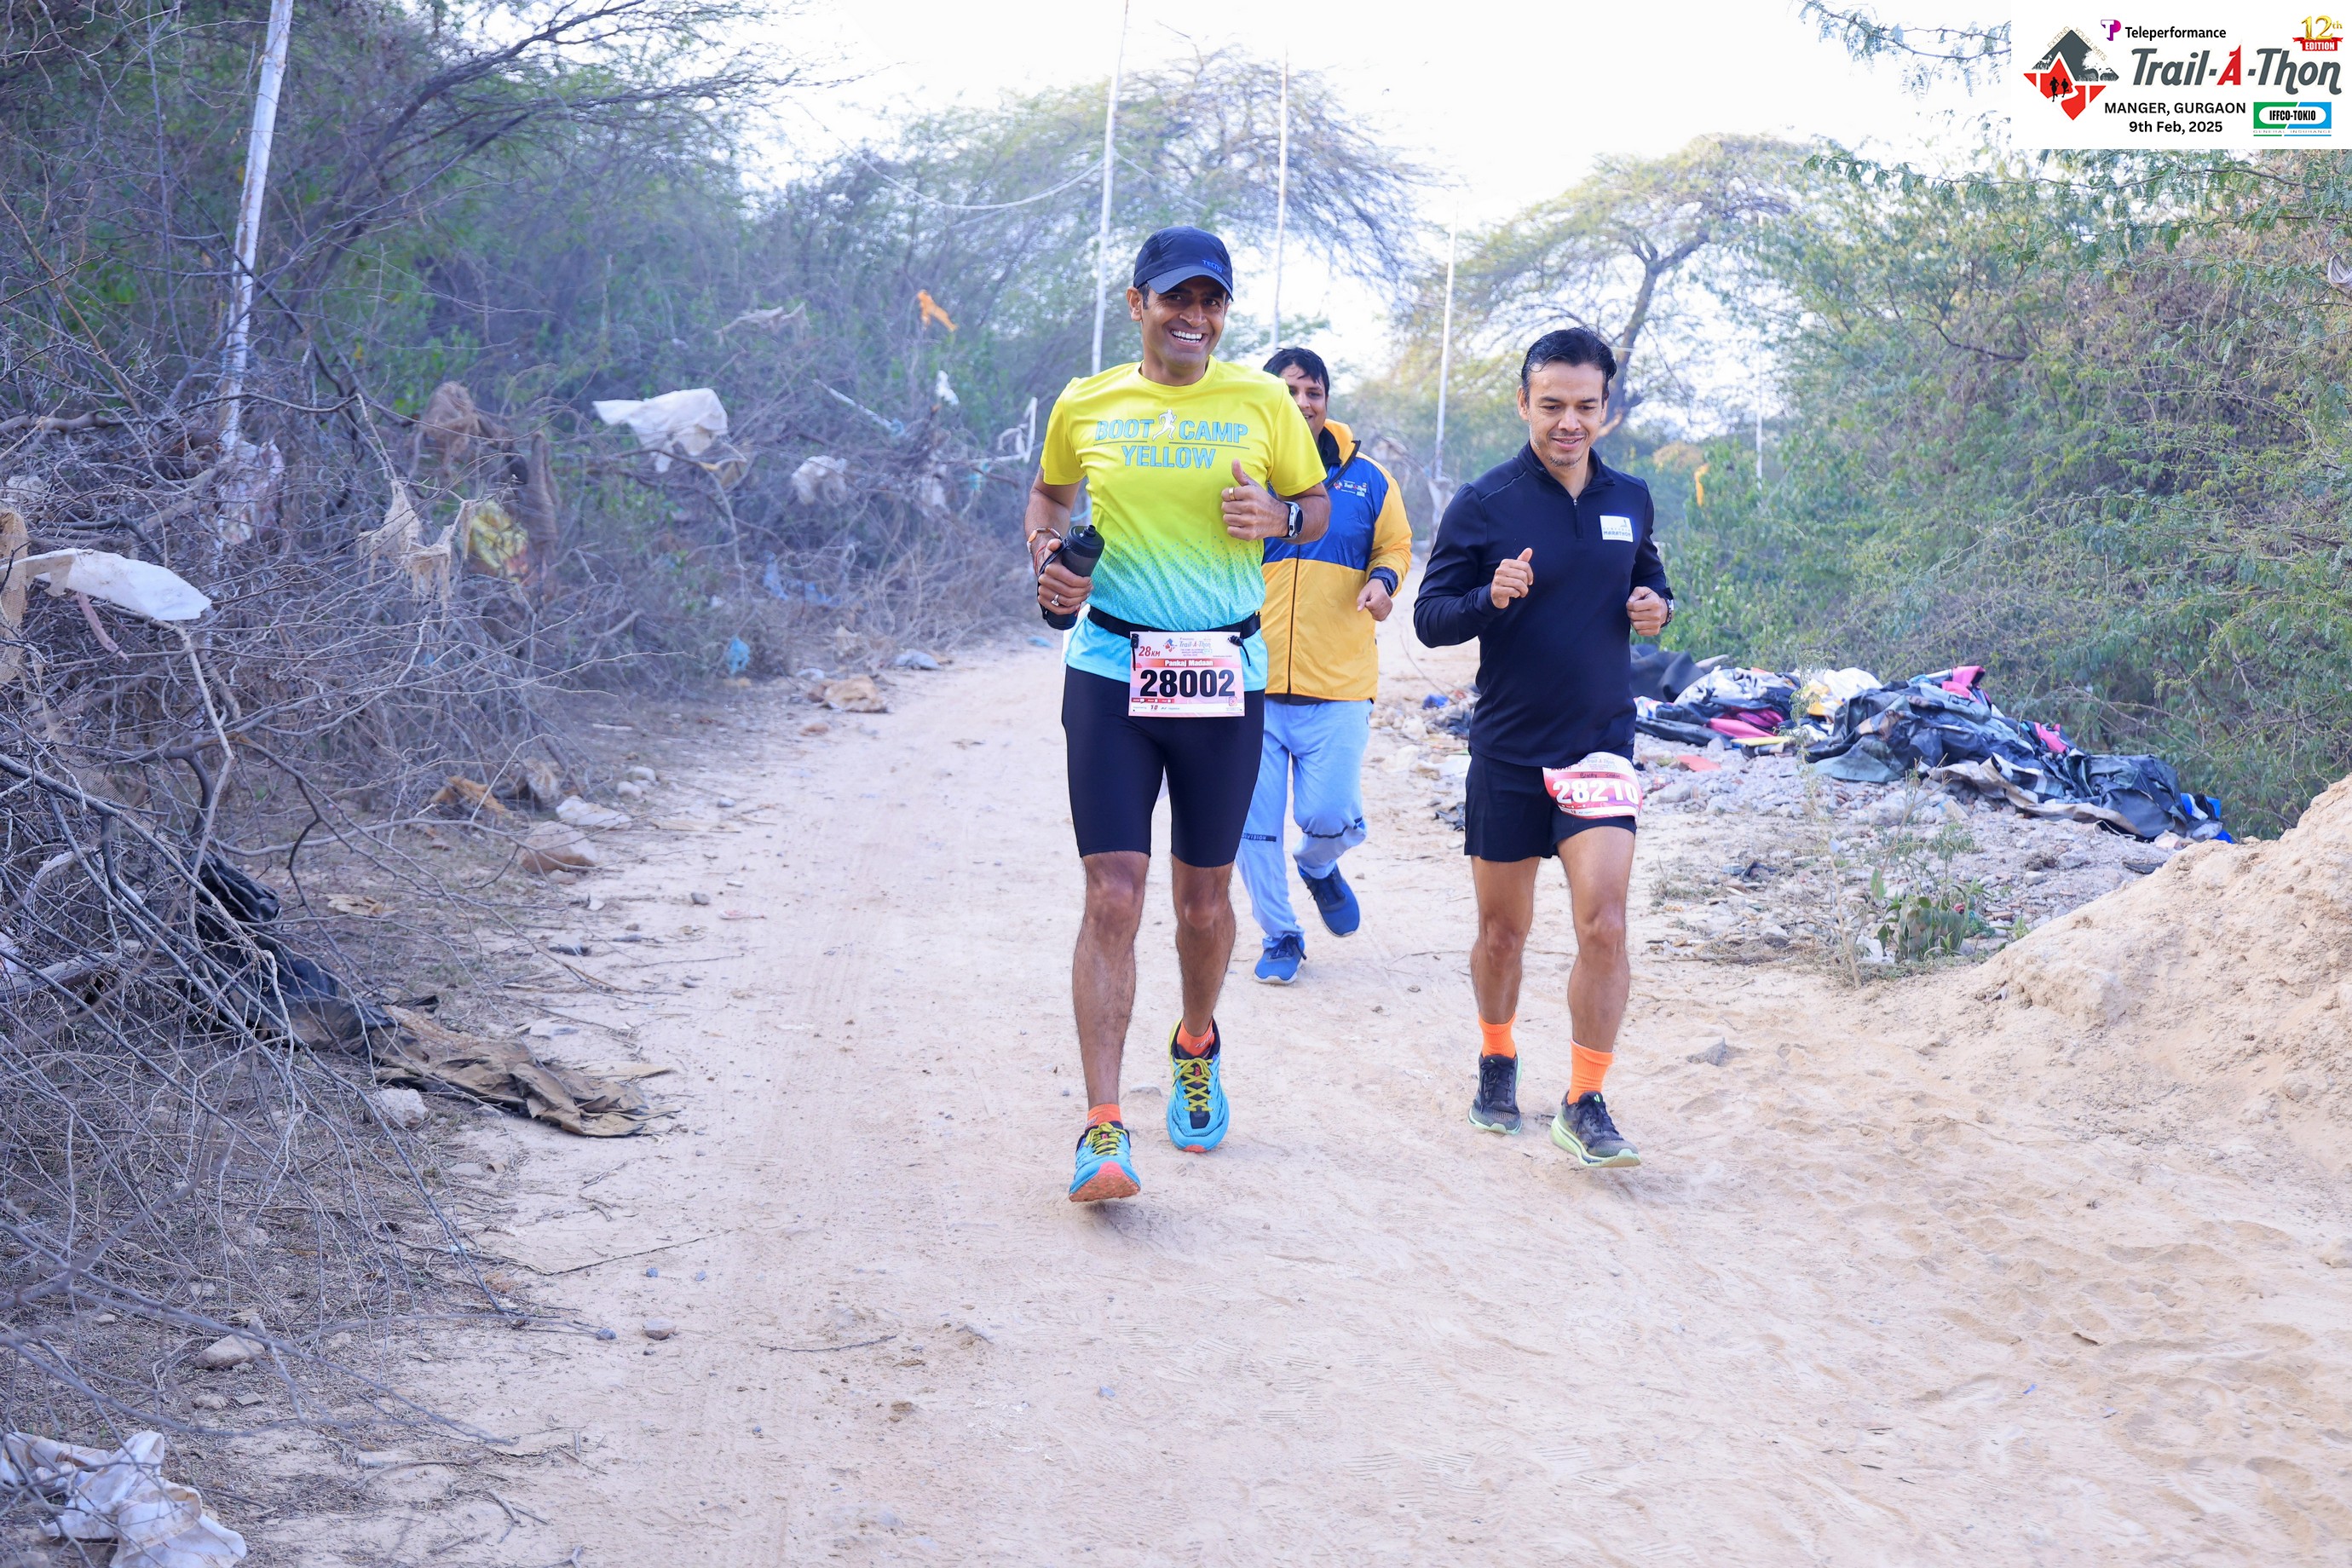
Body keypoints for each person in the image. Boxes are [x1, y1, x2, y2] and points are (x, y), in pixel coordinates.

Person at [1026, 227, 1330, 1203]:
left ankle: (1196, 1043)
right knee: (1113, 894)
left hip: (1222, 673)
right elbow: (1048, 497)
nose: (1194, 318)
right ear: (1138, 304)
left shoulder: (1263, 402)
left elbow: (1315, 504)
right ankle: (1102, 1126)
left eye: (1212, 302)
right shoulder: (1086, 403)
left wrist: (1281, 520)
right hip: (1111, 668)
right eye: (1176, 299)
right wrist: (1046, 559)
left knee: (1203, 903)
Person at [1409, 326, 1674, 1167]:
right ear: (1524, 402)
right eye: (1552, 404)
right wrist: (1488, 596)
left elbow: (1648, 577)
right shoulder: (1486, 502)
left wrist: (1656, 606)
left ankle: (1585, 1099)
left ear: (1608, 409)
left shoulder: (1630, 497)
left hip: (1599, 746)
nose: (1569, 422)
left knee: (1606, 923)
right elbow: (1429, 617)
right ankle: (1497, 1056)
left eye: (1585, 406)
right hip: (1510, 750)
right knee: (1503, 934)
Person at [1239, 345, 1413, 984]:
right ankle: (1281, 935)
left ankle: (1317, 864)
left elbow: (1395, 544)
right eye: (1289, 391)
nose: (1302, 403)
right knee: (1254, 831)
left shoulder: (1369, 479)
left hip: (1338, 686)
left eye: (1313, 392)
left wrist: (1384, 582)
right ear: (1265, 401)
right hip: (1250, 686)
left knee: (1328, 816)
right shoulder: (1239, 473)